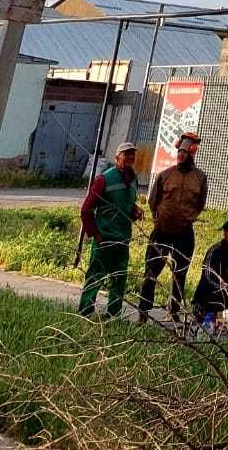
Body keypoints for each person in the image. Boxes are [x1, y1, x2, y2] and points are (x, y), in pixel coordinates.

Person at [137, 131, 209, 324]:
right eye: (179, 153)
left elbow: (200, 203)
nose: (181, 156)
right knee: (151, 273)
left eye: (185, 153)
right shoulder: (165, 175)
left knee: (180, 275)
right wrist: (160, 218)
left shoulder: (200, 178)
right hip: (161, 232)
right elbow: (153, 201)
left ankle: (174, 311)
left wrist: (187, 217)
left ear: (192, 153)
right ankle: (143, 313)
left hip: (184, 233)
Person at [77, 141, 144, 319]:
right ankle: (85, 311)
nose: (130, 157)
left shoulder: (133, 179)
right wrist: (96, 235)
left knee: (119, 278)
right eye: (126, 154)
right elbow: (86, 210)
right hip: (105, 238)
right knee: (95, 276)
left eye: (132, 154)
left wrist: (135, 210)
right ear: (117, 158)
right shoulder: (104, 179)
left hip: (123, 239)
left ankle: (113, 314)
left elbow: (125, 204)